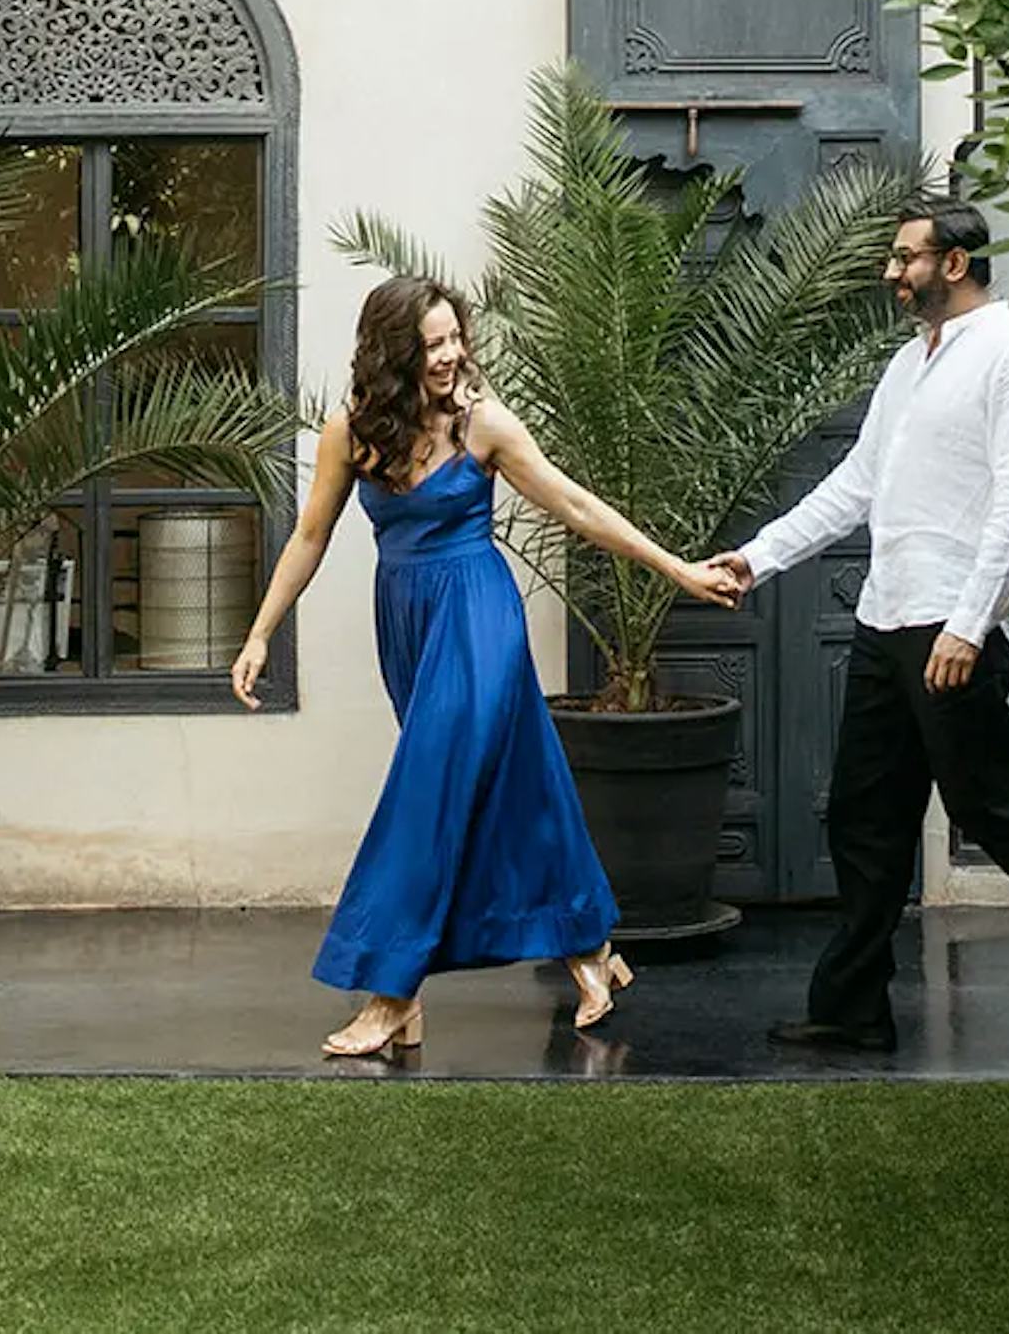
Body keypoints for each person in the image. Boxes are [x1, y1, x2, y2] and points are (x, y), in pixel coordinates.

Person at [234, 273, 743, 1059]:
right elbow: (310, 537)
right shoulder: (352, 431)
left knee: (426, 793)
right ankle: (591, 950)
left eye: (453, 337)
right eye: (431, 342)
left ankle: (390, 992)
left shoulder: (484, 427)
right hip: (408, 619)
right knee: (511, 790)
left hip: (478, 615)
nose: (451, 354)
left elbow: (576, 506)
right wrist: (261, 633)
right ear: (393, 351)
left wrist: (676, 569)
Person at [705, 201, 1009, 1060]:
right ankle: (852, 1008)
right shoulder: (909, 364)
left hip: (954, 632)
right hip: (887, 621)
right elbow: (856, 484)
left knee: (1000, 814)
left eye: (904, 257)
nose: (891, 272)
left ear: (954, 263)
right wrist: (757, 558)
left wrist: (971, 622)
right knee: (863, 817)